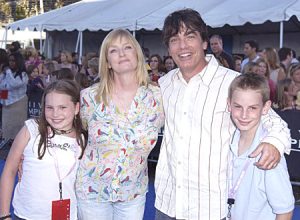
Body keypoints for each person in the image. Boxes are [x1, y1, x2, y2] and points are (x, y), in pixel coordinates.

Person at [155, 8, 290, 220]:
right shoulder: (164, 84)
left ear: (205, 42)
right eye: (174, 39)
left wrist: (273, 143)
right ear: (168, 48)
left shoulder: (231, 83)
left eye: (190, 36)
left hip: (208, 207)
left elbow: (276, 122)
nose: (182, 46)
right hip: (167, 202)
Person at [75, 29, 164, 220]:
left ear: (138, 55)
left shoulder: (157, 98)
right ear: (106, 61)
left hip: (133, 194)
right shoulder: (89, 97)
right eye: (113, 50)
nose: (122, 53)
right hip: (93, 192)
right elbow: (69, 132)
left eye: (127, 47)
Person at [0, 79, 87, 220]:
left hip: (66, 215)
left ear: (76, 108)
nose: (55, 114)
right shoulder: (31, 129)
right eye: (49, 107)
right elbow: (9, 170)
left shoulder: (82, 140)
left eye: (62, 107)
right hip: (25, 214)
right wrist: (4, 215)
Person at [227, 73, 294, 220]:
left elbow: (285, 211)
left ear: (265, 108)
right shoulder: (228, 139)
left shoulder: (268, 155)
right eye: (238, 106)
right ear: (229, 104)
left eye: (252, 108)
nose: (244, 115)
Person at [0, 52, 28, 142]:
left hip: (18, 103)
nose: (11, 63)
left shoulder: (23, 74)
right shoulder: (7, 74)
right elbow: (2, 87)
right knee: (6, 126)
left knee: (17, 127)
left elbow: (13, 84)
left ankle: (17, 144)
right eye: (10, 61)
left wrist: (8, 72)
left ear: (19, 62)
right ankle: (6, 142)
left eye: (13, 61)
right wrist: (3, 101)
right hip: (7, 104)